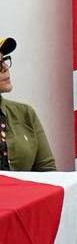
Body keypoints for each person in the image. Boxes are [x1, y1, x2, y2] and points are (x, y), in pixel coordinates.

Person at [0, 37, 56, 171]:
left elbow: (47, 170)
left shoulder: (25, 113)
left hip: (25, 192)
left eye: (4, 61)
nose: (5, 68)